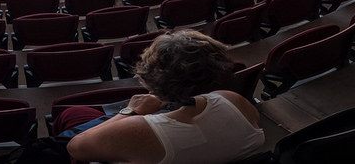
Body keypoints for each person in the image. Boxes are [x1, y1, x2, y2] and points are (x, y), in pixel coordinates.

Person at [64, 30, 265, 164]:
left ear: (151, 80)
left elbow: (75, 147)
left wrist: (130, 111)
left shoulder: (140, 131)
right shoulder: (233, 100)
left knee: (72, 114)